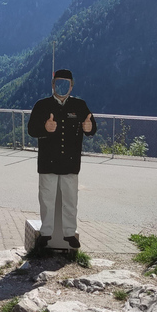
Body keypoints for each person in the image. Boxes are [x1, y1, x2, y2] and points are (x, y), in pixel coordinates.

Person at [27, 69, 96, 249]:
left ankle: (69, 233)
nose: (62, 87)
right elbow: (31, 130)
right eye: (58, 83)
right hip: (47, 161)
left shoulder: (80, 106)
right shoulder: (41, 105)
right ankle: (46, 233)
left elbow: (92, 126)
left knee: (71, 201)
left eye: (66, 83)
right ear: (53, 84)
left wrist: (89, 128)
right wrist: (45, 127)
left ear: (72, 86)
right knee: (46, 200)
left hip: (70, 163)